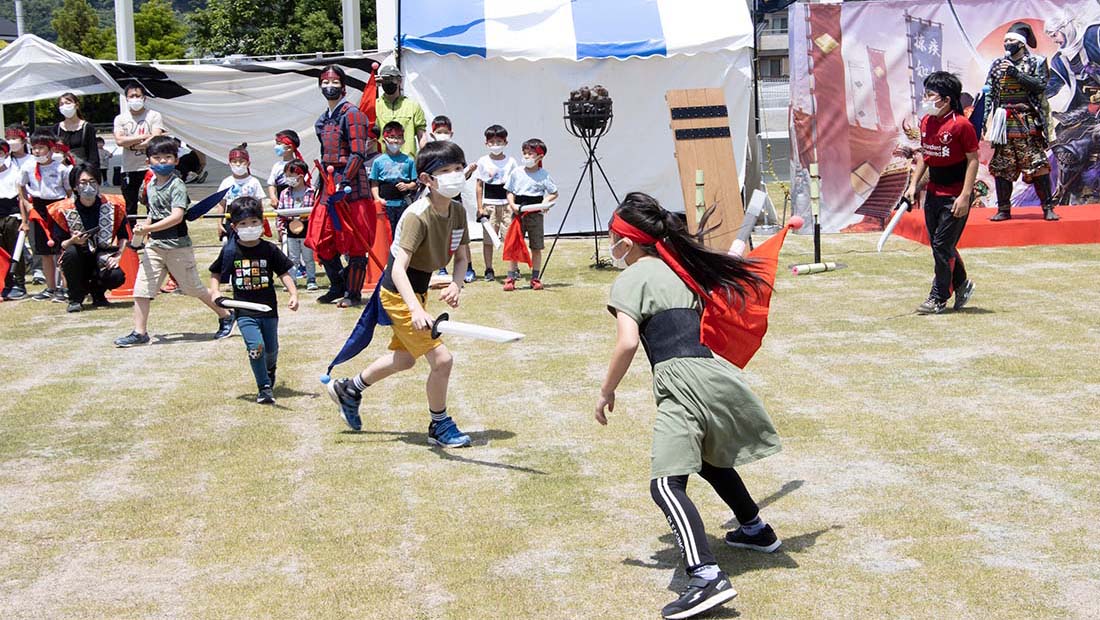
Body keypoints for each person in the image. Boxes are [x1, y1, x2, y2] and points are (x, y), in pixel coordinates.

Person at [597, 192, 783, 620]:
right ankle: (755, 530)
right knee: (710, 459)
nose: (611, 242)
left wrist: (606, 390)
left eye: (612, 235)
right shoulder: (682, 271)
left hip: (680, 380)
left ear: (628, 241)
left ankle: (706, 576)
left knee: (665, 485)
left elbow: (627, 341)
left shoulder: (631, 278)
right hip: (712, 372)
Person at [326, 140, 473, 447]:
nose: (455, 175)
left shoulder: (457, 212)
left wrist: (456, 284)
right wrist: (415, 309)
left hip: (418, 291)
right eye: (445, 170)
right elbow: (397, 269)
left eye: (459, 168)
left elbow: (461, 257)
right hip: (398, 291)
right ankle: (439, 425)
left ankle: (349, 389)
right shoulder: (417, 215)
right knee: (442, 360)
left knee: (404, 359)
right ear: (426, 180)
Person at [114, 136, 234, 348]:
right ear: (148, 161)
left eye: (167, 157)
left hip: (177, 246)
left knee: (193, 288)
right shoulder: (150, 184)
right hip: (154, 247)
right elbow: (153, 212)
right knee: (142, 288)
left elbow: (177, 216)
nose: (162, 162)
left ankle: (226, 315)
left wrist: (149, 228)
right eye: (157, 158)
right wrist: (144, 229)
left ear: (176, 160)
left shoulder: (177, 185)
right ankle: (139, 332)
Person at [209, 197, 299, 404]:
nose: (249, 227)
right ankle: (264, 388)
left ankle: (270, 369)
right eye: (243, 224)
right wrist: (215, 291)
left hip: (268, 309)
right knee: (255, 347)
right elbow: (215, 273)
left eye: (254, 223)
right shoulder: (230, 251)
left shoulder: (269, 250)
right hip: (244, 311)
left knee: (271, 349)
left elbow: (284, 272)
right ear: (234, 227)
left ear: (261, 223)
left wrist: (293, 293)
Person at [906, 72, 978, 315]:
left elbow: (973, 160)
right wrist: (913, 185)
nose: (925, 99)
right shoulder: (927, 121)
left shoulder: (961, 125)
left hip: (955, 195)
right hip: (933, 194)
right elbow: (925, 157)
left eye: (930, 95)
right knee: (941, 246)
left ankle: (938, 296)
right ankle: (961, 283)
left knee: (941, 245)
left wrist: (965, 196)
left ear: (946, 99)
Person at [308, 64, 376, 308]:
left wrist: (345, 179)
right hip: (328, 184)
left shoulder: (353, 114)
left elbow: (358, 152)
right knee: (322, 239)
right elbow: (325, 152)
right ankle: (337, 285)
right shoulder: (321, 121)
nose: (329, 86)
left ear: (343, 86)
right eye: (325, 82)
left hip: (351, 186)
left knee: (355, 240)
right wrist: (320, 184)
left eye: (335, 82)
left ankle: (353, 293)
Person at [983, 22, 1059, 221]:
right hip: (1003, 123)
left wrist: (1016, 73)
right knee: (1002, 166)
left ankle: (1048, 207)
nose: (1007, 43)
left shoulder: (1037, 62)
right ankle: (1003, 209)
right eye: (1005, 40)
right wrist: (982, 120)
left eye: (1011, 40)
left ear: (1022, 43)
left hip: (1027, 119)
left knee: (1037, 163)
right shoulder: (997, 64)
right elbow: (989, 93)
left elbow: (1040, 85)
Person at [48, 163, 128, 312]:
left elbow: (123, 235)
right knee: (71, 253)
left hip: (102, 253)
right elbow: (60, 244)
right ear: (75, 186)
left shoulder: (114, 205)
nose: (88, 186)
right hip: (77, 255)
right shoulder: (63, 209)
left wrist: (118, 256)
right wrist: (73, 240)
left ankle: (98, 293)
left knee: (117, 275)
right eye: (83, 183)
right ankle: (75, 298)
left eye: (92, 182)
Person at [18, 130, 71, 302]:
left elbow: (68, 192)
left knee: (60, 250)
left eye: (41, 148)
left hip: (57, 206)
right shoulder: (27, 167)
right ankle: (50, 287)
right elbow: (21, 188)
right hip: (38, 207)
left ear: (50, 149)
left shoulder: (61, 168)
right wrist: (27, 206)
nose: (37, 152)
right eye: (34, 148)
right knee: (44, 251)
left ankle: (65, 287)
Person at [503, 138, 558, 291]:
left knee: (536, 246)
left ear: (540, 157)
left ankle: (535, 277)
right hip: (518, 214)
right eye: (525, 153)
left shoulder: (543, 175)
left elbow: (554, 192)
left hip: (535, 214)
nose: (526, 157)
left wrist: (545, 202)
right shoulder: (517, 172)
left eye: (531, 154)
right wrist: (512, 204)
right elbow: (509, 191)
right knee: (514, 245)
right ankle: (511, 277)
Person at [114, 84, 166, 218]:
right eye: (132, 96)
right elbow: (119, 141)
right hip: (129, 167)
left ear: (144, 98)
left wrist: (131, 143)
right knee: (130, 205)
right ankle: (130, 234)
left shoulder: (154, 115)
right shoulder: (120, 119)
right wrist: (143, 137)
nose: (135, 99)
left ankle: (153, 232)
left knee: (153, 202)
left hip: (150, 167)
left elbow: (155, 137)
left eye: (138, 96)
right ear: (126, 98)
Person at [475, 124, 518, 282]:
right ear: (486, 143)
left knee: (510, 238)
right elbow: (479, 185)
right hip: (489, 204)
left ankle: (513, 269)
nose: (495, 145)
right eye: (492, 142)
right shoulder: (483, 161)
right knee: (489, 239)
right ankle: (489, 268)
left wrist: (514, 204)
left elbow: (514, 184)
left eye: (499, 141)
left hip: (507, 203)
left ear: (506, 142)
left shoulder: (511, 161)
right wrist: (480, 207)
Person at [370, 121, 418, 235]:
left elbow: (415, 183)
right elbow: (374, 184)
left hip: (403, 203)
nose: (395, 141)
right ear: (384, 140)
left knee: (402, 232)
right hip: (385, 204)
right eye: (391, 137)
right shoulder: (378, 161)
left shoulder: (409, 160)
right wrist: (378, 199)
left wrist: (407, 186)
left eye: (399, 137)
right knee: (386, 233)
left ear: (404, 141)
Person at [277, 159, 317, 290]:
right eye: (286, 176)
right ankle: (292, 280)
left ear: (300, 176)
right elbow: (280, 213)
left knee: (308, 257)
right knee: (292, 257)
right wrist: (280, 229)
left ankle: (311, 279)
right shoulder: (284, 193)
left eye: (290, 175)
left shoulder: (312, 191)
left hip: (307, 228)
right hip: (290, 227)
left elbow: (316, 212)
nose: (287, 179)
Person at [375, 65, 427, 157]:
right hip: (382, 164)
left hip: (408, 163)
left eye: (391, 79)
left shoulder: (413, 106)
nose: (388, 82)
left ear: (399, 81)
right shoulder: (374, 105)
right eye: (385, 79)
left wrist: (427, 159)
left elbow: (421, 136)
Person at [216, 143, 265, 236]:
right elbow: (221, 204)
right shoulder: (226, 182)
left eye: (241, 161)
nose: (238, 164)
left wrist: (262, 224)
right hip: (232, 217)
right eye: (234, 161)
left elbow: (260, 206)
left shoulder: (254, 182)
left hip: (251, 217)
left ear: (248, 163)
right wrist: (219, 224)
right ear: (229, 164)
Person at [0, 139, 27, 300]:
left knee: (14, 249)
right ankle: (5, 283)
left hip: (12, 215)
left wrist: (24, 221)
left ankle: (19, 283)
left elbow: (21, 198)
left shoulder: (15, 171)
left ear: (6, 154)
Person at [53, 93, 100, 171]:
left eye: (67, 103)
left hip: (81, 171)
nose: (64, 106)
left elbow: (93, 155)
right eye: (61, 104)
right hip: (61, 170)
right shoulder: (56, 128)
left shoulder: (87, 127)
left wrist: (91, 172)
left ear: (76, 105)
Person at [267, 129, 301, 206]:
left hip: (298, 202)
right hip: (281, 203)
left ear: (289, 147)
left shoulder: (299, 164)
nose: (276, 147)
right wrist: (273, 197)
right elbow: (271, 183)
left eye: (279, 144)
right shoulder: (277, 166)